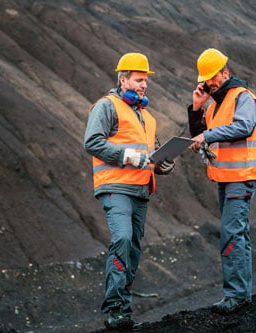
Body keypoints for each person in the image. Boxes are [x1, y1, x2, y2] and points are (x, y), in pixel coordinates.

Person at [84, 52, 174, 329]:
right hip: (115, 187)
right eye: (138, 80)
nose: (143, 85)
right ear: (123, 80)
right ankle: (114, 308)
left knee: (133, 248)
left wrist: (164, 164)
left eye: (145, 81)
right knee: (122, 239)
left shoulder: (148, 117)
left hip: (140, 190)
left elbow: (151, 155)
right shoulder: (106, 106)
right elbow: (93, 142)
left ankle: (123, 309)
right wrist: (127, 156)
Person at [187, 48, 256, 314]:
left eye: (213, 77)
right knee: (238, 233)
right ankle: (242, 295)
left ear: (226, 72)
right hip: (225, 177)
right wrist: (197, 108)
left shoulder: (243, 97)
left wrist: (206, 137)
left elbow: (243, 127)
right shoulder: (215, 105)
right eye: (206, 79)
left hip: (242, 176)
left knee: (231, 232)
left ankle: (235, 296)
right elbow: (200, 134)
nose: (210, 83)